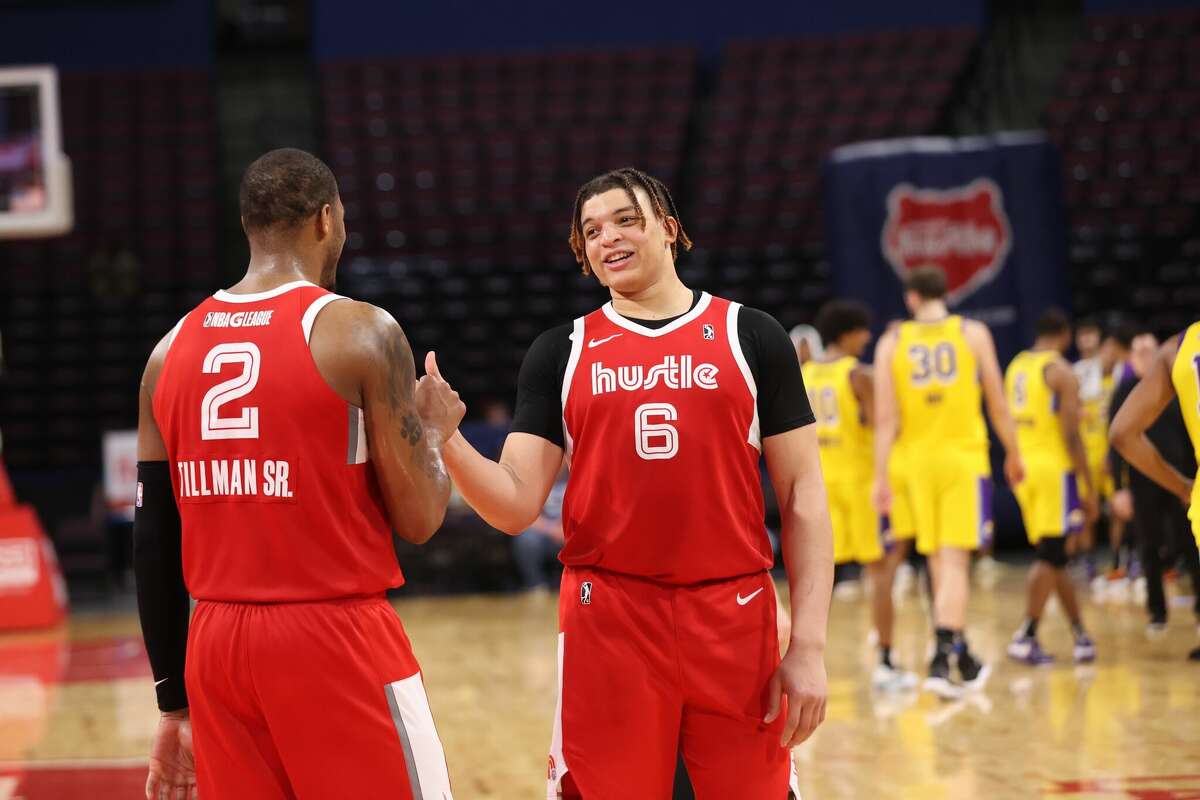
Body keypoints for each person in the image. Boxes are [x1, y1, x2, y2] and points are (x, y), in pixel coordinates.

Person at [436, 167, 832, 797]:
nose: (608, 238)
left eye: (626, 220)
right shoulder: (560, 351)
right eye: (591, 231)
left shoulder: (751, 336)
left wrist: (808, 646)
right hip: (609, 621)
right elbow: (514, 505)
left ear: (670, 230)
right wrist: (448, 440)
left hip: (732, 616)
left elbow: (804, 499)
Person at [133, 148, 464, 800]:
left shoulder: (167, 352)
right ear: (325, 219)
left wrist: (174, 704)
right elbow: (422, 519)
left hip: (215, 647)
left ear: (247, 225)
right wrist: (433, 432)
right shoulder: (362, 332)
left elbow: (153, 538)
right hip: (333, 637)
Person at [872, 266, 1024, 699]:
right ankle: (941, 655)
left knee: (939, 562)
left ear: (912, 298)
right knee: (954, 562)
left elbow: (886, 420)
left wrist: (880, 477)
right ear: (945, 292)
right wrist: (1014, 451)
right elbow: (997, 402)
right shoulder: (973, 333)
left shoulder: (892, 342)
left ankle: (961, 653)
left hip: (915, 461)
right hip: (962, 458)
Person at [803, 299, 917, 690]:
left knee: (820, 579)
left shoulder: (807, 373)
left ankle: (804, 657)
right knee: (881, 572)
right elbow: (884, 425)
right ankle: (885, 660)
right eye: (862, 331)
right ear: (848, 333)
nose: (867, 337)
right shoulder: (857, 374)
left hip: (823, 483)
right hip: (861, 484)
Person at [1004, 309, 1098, 665]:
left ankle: (1080, 634)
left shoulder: (1017, 366)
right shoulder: (1060, 370)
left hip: (1024, 470)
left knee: (1056, 556)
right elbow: (1072, 435)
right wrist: (1088, 485)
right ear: (1065, 334)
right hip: (1053, 470)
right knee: (1051, 554)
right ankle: (1026, 635)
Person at [1109, 331, 1200, 654]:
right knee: (1150, 546)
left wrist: (1184, 484)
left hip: (1187, 486)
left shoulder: (1179, 349)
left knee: (1186, 550)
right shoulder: (1126, 387)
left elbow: (1121, 433)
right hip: (1149, 482)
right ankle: (1157, 614)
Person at [1072, 317, 1110, 579]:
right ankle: (1088, 561)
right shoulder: (1072, 371)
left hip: (1107, 443)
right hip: (1085, 447)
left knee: (1120, 504)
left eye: (1091, 334)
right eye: (1082, 335)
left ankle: (1124, 558)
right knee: (1087, 507)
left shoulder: (1109, 368)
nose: (1087, 340)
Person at [512, 466, 567, 592]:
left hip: (570, 532)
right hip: (545, 534)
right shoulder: (535, 479)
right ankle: (535, 585)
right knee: (526, 538)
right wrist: (552, 529)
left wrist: (566, 528)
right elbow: (525, 513)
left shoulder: (576, 475)